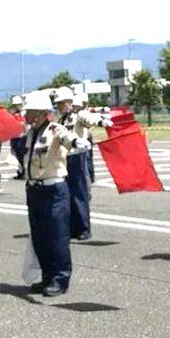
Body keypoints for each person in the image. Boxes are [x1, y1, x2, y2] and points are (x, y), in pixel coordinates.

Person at [22, 91, 88, 297]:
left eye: (30, 112)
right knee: (40, 236)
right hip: (34, 189)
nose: (26, 115)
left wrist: (77, 143)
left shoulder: (55, 129)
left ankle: (60, 279)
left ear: (42, 113)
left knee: (57, 236)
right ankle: (47, 277)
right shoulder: (31, 133)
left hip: (53, 189)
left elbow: (67, 138)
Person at [54, 87, 111, 241]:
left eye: (61, 103)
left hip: (77, 157)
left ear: (69, 102)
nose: (59, 107)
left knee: (79, 193)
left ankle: (83, 228)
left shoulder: (78, 116)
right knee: (67, 194)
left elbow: (89, 119)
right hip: (65, 158)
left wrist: (101, 121)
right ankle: (72, 226)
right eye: (58, 104)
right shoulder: (60, 120)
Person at [9, 96, 27, 180]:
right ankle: (20, 171)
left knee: (22, 156)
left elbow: (25, 125)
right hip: (14, 137)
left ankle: (24, 172)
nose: (16, 107)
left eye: (17, 105)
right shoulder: (13, 115)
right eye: (15, 105)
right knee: (16, 156)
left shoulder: (24, 114)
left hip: (22, 137)